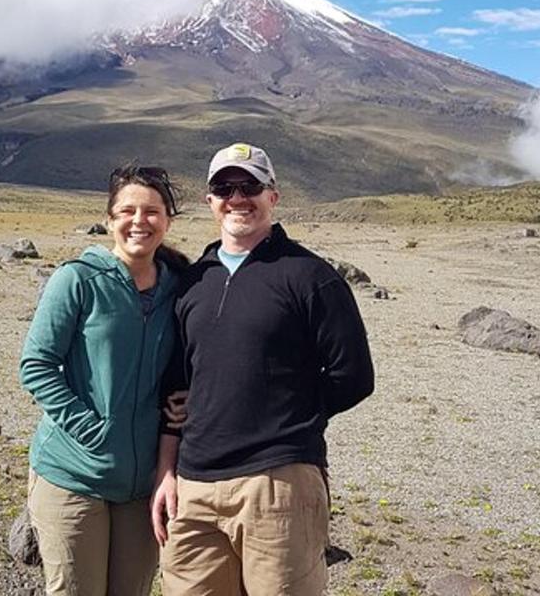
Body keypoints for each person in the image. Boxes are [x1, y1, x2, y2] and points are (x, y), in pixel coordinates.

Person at [151, 142, 374, 596]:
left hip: (278, 484)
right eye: (225, 187)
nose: (238, 197)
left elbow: (354, 376)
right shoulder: (194, 280)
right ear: (209, 200)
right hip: (194, 488)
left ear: (273, 195)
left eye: (250, 185)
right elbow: (178, 385)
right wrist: (167, 471)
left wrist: (288, 418)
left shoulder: (311, 276)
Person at [20, 164, 188, 596]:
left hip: (141, 485)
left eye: (151, 211)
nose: (139, 221)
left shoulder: (179, 288)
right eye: (127, 211)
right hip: (73, 475)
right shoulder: (78, 279)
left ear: (167, 219)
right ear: (110, 219)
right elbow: (36, 364)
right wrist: (89, 429)